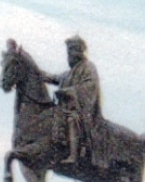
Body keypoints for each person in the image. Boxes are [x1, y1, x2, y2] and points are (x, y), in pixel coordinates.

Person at [42, 36, 108, 167]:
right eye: (68, 52)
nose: (69, 56)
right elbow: (53, 78)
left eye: (71, 52)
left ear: (78, 52)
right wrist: (35, 71)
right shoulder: (68, 73)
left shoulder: (89, 67)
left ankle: (73, 155)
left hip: (82, 111)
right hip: (65, 109)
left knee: (72, 120)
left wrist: (69, 91)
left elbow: (90, 86)